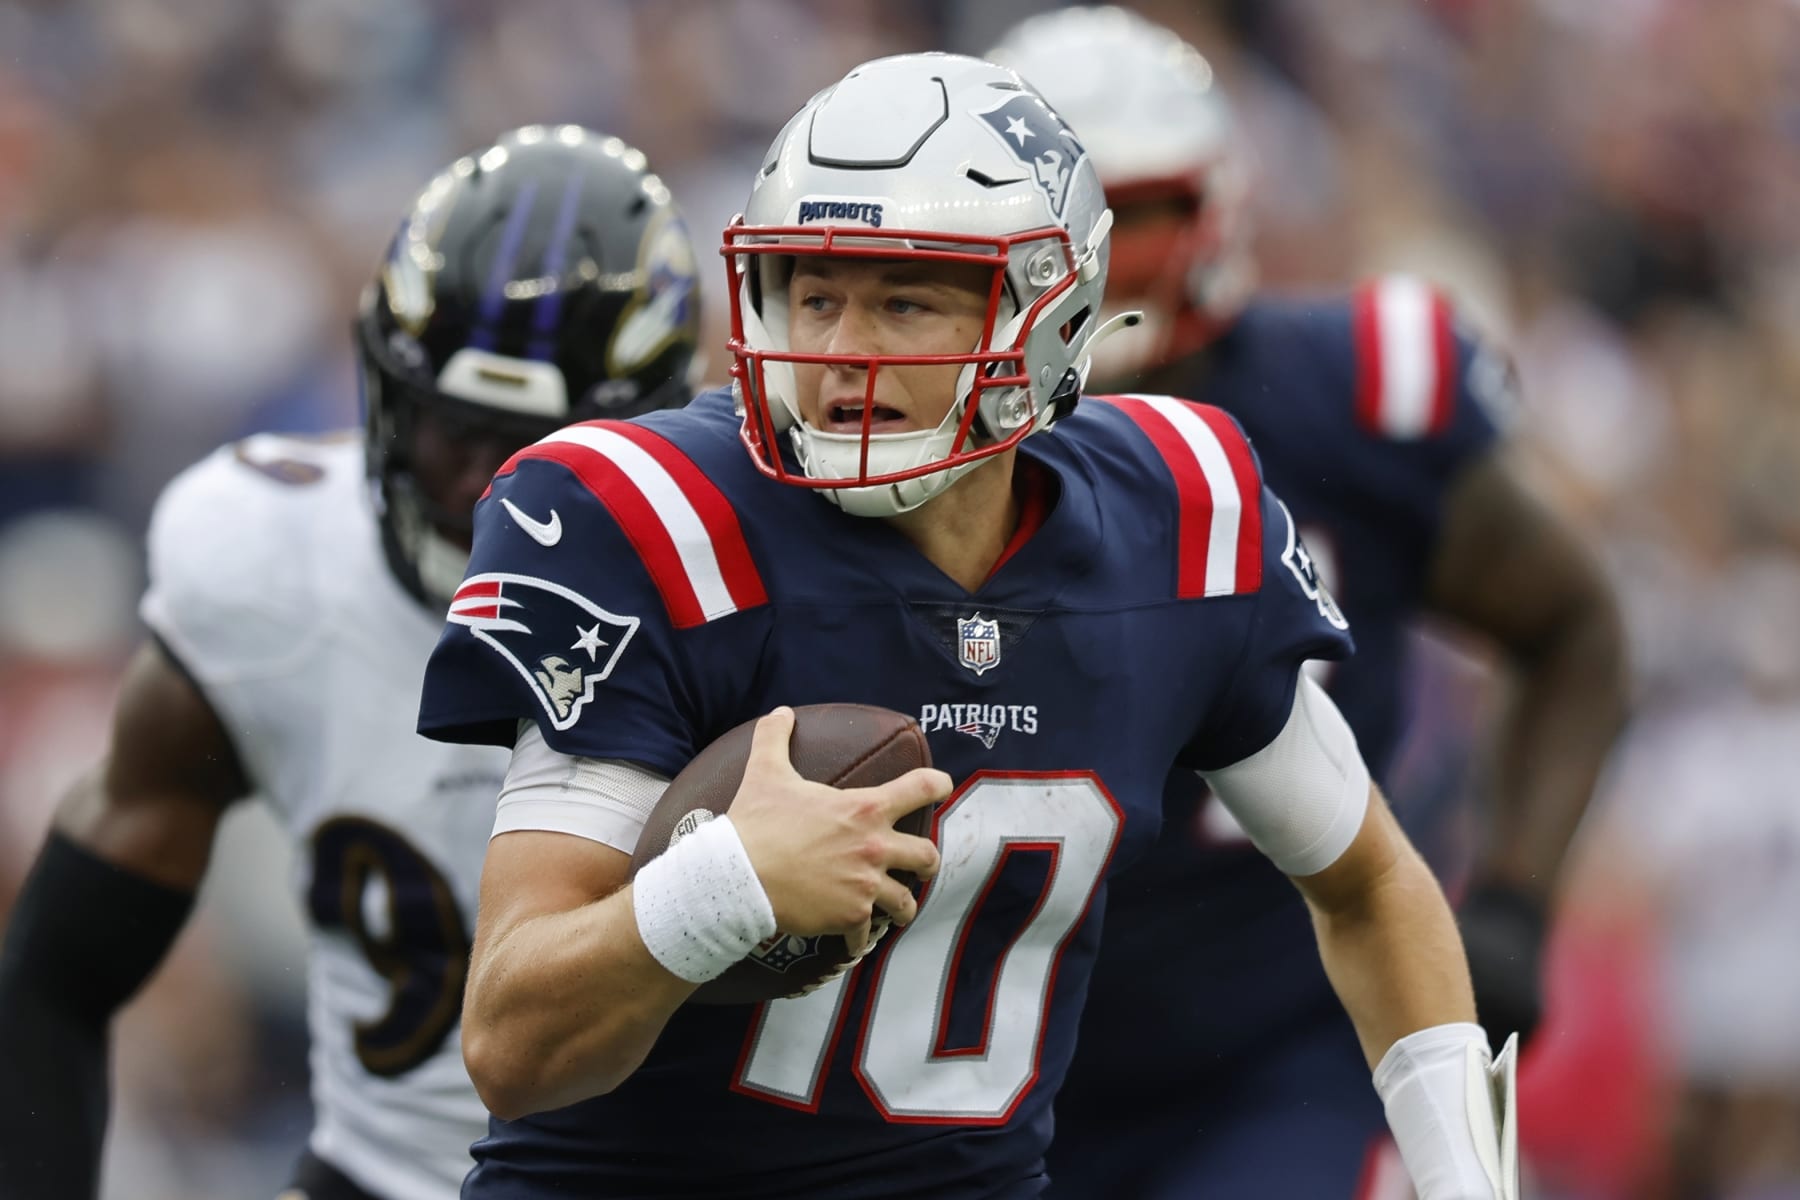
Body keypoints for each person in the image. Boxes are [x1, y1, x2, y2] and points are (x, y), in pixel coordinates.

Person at [418, 54, 1519, 1200]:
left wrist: (1466, 1177)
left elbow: (1370, 886)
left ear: (1050, 314)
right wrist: (726, 885)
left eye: (903, 298)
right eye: (814, 293)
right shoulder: (654, 526)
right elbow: (512, 1043)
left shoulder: (1175, 518)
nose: (842, 353)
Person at [985, 9, 1629, 1197]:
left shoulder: (1350, 401)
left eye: (1142, 219)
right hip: (985, 1060)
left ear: (1217, 212)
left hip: (1282, 1053)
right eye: (1066, 227)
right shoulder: (930, 451)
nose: (1100, 266)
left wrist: (1518, 898)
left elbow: (1575, 626)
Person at [0, 126, 701, 1200]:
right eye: (453, 431)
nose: (484, 492)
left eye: (533, 453)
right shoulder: (268, 566)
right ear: (384, 396)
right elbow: (59, 969)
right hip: (381, 1175)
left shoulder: (748, 597)